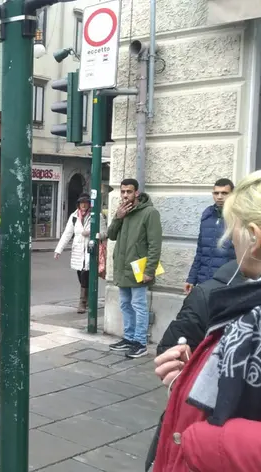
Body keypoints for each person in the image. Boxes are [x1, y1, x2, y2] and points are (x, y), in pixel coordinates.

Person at [147, 171, 261, 472]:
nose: (229, 239)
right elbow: (201, 250)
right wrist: (192, 378)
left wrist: (202, 440)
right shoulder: (205, 217)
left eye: (233, 230)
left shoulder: (247, 317)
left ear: (254, 237)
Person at [106, 178, 163, 359]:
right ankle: (129, 338)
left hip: (138, 267)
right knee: (124, 304)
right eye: (122, 192)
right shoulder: (123, 212)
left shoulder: (150, 213)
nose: (125, 195)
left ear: (136, 192)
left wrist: (150, 270)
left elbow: (155, 244)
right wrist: (117, 217)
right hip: (122, 267)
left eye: (128, 192)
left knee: (139, 305)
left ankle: (140, 342)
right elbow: (111, 235)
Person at [156, 259, 246, 356]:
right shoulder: (203, 296)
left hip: (221, 289)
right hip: (211, 288)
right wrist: (191, 278)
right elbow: (198, 258)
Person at [54, 193, 107, 314]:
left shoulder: (96, 216)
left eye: (86, 202)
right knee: (81, 274)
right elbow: (67, 233)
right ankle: (87, 299)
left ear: (89, 204)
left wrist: (93, 233)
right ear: (78, 204)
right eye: (81, 202)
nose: (83, 204)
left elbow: (105, 233)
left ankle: (82, 302)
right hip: (78, 251)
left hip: (90, 250)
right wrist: (58, 250)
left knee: (85, 274)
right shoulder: (74, 216)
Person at [184, 178, 236, 295]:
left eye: (224, 193)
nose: (219, 197)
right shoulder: (207, 215)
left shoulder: (239, 217)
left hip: (227, 283)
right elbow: (200, 251)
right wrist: (191, 279)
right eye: (216, 193)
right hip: (204, 281)